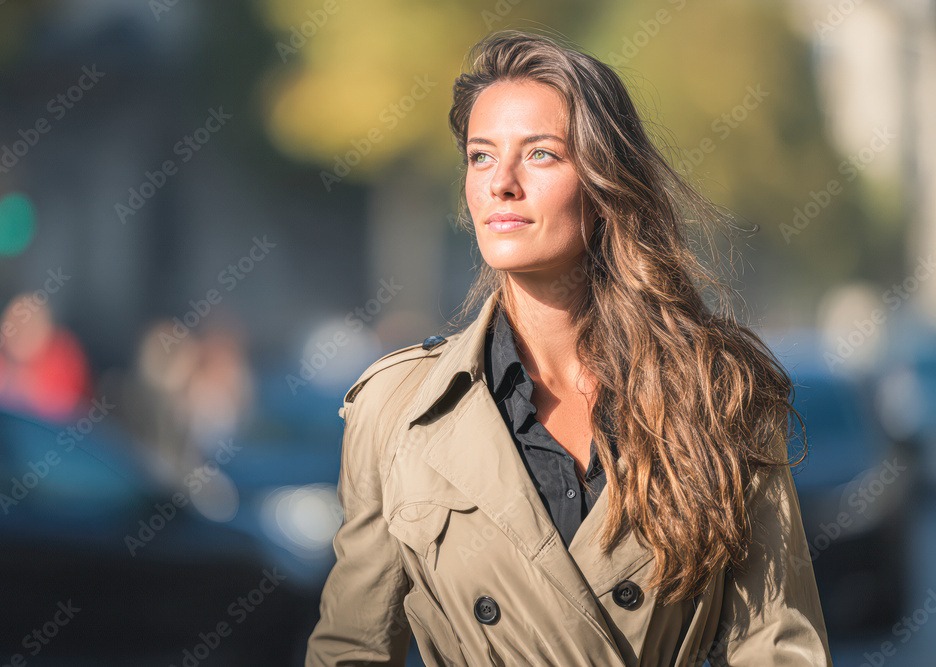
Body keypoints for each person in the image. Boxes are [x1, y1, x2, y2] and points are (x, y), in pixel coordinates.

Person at [306, 29, 830, 666]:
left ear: (606, 185)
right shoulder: (396, 409)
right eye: (480, 156)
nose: (501, 183)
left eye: (541, 155)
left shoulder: (718, 393)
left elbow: (777, 647)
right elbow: (352, 651)